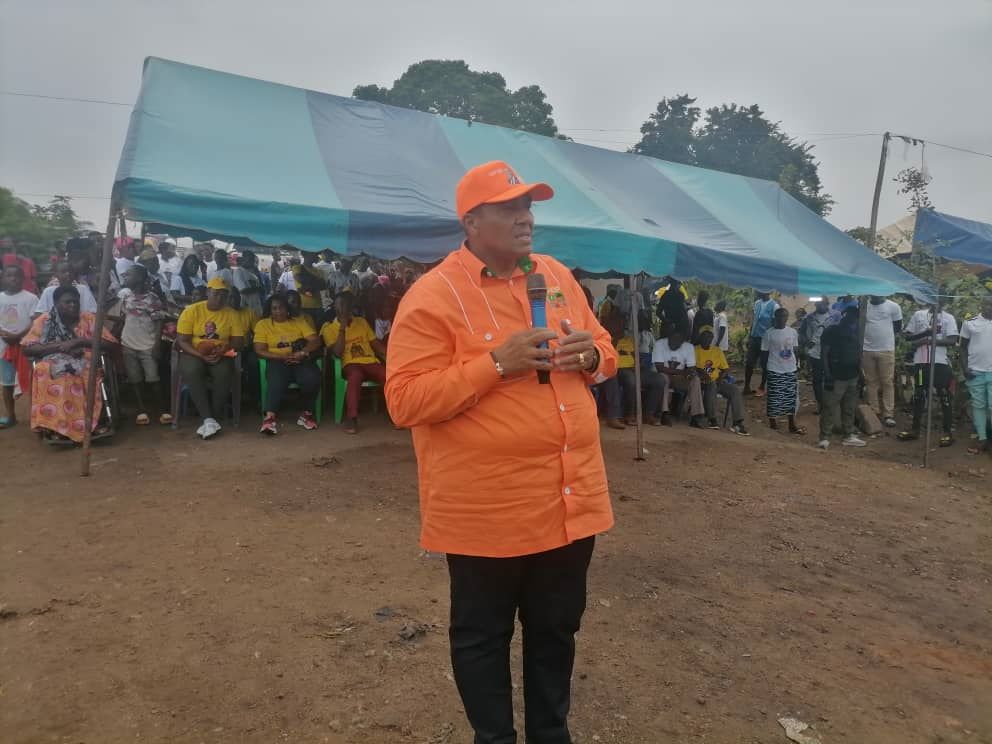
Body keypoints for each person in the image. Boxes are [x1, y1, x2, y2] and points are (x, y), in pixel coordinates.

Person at [384, 160, 617, 744]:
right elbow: (405, 400)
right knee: (483, 638)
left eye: (528, 206)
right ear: (471, 222)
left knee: (556, 630)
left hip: (569, 501)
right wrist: (494, 364)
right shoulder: (434, 295)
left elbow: (605, 347)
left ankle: (550, 734)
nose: (525, 218)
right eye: (509, 208)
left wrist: (591, 357)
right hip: (487, 511)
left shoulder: (556, 276)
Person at [22, 285, 117, 443]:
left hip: (85, 359)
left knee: (81, 371)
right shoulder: (45, 321)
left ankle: (87, 424)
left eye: (75, 302)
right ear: (56, 304)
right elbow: (27, 348)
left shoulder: (88, 319)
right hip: (53, 359)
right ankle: (57, 426)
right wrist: (60, 346)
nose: (73, 305)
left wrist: (80, 341)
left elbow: (111, 344)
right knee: (44, 370)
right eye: (67, 302)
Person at [174, 277, 246, 439]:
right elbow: (182, 340)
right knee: (192, 370)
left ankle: (211, 418)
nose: (219, 298)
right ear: (208, 292)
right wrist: (200, 354)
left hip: (221, 353)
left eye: (223, 295)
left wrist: (224, 349)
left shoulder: (232, 314)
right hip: (194, 352)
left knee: (224, 372)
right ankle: (208, 418)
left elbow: (238, 342)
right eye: (216, 294)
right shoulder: (192, 310)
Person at [252, 294, 321, 434]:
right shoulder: (263, 324)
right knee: (276, 379)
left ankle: (306, 413)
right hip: (277, 360)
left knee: (312, 377)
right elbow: (259, 350)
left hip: (299, 359)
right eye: (274, 308)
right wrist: (281, 356)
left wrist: (302, 353)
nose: (278, 311)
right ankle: (269, 418)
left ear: (287, 308)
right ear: (270, 310)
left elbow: (315, 341)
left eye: (281, 307)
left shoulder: (299, 322)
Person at [321, 292, 385, 434]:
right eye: (340, 305)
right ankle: (352, 417)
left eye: (347, 305)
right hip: (350, 364)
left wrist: (390, 356)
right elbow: (337, 353)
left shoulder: (361, 322)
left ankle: (397, 412)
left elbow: (376, 344)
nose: (343, 308)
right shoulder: (328, 328)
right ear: (334, 307)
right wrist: (342, 328)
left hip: (370, 361)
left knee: (387, 375)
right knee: (355, 377)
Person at [115, 265, 171, 425]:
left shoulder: (152, 298)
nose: (125, 277)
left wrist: (157, 345)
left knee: (153, 379)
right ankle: (141, 410)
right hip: (128, 343)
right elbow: (124, 319)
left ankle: (163, 409)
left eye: (128, 275)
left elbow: (159, 322)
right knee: (135, 380)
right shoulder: (126, 297)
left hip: (148, 344)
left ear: (139, 278)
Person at [897, 304, 958, 446]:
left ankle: (947, 432)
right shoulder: (919, 315)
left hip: (940, 363)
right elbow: (908, 337)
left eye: (941, 299)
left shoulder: (948, 318)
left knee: (944, 395)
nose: (937, 302)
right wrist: (925, 334)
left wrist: (931, 341)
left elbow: (952, 340)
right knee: (918, 394)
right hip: (920, 363)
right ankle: (915, 430)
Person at [818, 305, 866, 449]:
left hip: (852, 375)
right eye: (850, 315)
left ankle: (848, 435)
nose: (852, 319)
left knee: (849, 408)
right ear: (844, 315)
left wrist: (861, 373)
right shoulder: (831, 331)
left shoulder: (857, 332)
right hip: (836, 376)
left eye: (855, 316)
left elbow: (858, 354)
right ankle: (825, 437)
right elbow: (824, 354)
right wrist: (827, 374)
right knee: (829, 407)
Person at [0, 265, 38, 427]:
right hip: (4, 348)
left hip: (26, 347)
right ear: (3, 278)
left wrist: (18, 336)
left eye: (16, 276)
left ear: (23, 279)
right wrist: (4, 334)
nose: (13, 279)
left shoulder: (31, 298)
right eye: (9, 275)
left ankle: (37, 417)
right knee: (6, 383)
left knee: (32, 382)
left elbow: (35, 322)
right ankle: (11, 416)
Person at [695, 327, 748, 435]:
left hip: (717, 381)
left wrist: (720, 378)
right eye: (705, 336)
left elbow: (725, 368)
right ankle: (712, 419)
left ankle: (737, 423)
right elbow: (692, 367)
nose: (707, 339)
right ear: (700, 337)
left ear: (712, 338)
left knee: (734, 390)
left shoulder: (717, 350)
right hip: (702, 382)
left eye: (710, 336)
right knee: (711, 385)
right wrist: (702, 374)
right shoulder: (695, 350)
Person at [762, 307, 805, 434]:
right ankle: (773, 423)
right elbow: (764, 354)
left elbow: (795, 350)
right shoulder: (768, 333)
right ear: (775, 318)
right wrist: (765, 370)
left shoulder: (792, 332)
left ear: (787, 317)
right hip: (774, 368)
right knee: (774, 396)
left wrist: (797, 364)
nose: (782, 319)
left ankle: (792, 424)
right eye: (779, 316)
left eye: (784, 316)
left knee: (790, 397)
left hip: (790, 369)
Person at [862, 295, 903, 427]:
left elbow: (897, 328)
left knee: (887, 382)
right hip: (867, 349)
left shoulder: (893, 307)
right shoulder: (863, 306)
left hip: (886, 349)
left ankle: (888, 414)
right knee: (870, 381)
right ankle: (874, 411)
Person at [652, 327, 705, 427]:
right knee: (663, 378)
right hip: (663, 375)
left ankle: (696, 416)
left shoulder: (688, 347)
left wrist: (690, 373)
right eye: (672, 339)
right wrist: (682, 372)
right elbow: (660, 368)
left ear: (682, 341)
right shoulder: (659, 344)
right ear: (668, 337)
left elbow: (691, 367)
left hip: (679, 377)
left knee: (695, 380)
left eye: (677, 340)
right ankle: (664, 413)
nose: (674, 342)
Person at [960, 296, 992, 455]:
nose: (989, 307)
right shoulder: (970, 323)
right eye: (987, 304)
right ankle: (982, 438)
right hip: (975, 372)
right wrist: (965, 368)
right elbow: (962, 347)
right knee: (978, 405)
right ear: (981, 305)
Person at [800, 297, 831, 413]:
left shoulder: (833, 317)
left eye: (821, 303)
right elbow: (801, 332)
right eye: (817, 304)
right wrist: (806, 341)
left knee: (829, 378)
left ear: (827, 304)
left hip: (830, 354)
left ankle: (829, 403)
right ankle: (820, 404)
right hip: (815, 353)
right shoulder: (809, 318)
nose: (819, 306)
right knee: (817, 379)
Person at [744, 291, 778, 396]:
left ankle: (762, 386)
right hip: (754, 338)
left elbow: (775, 324)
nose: (758, 292)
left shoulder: (774, 306)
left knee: (765, 364)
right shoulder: (757, 303)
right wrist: (750, 336)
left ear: (768, 291)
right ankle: (746, 386)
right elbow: (754, 321)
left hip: (766, 339)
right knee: (749, 362)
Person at [293, 252, 326, 327]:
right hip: (304, 306)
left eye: (315, 254)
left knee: (318, 329)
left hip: (318, 306)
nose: (315, 255)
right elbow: (299, 278)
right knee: (306, 329)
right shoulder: (297, 268)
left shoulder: (319, 270)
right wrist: (316, 281)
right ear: (304, 254)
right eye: (312, 253)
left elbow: (323, 285)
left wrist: (306, 285)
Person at [232, 249, 265, 315]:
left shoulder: (254, 273)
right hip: (245, 310)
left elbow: (262, 290)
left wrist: (258, 274)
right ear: (243, 259)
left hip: (257, 309)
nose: (252, 262)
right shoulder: (238, 271)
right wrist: (257, 288)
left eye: (252, 259)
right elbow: (243, 290)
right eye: (249, 259)